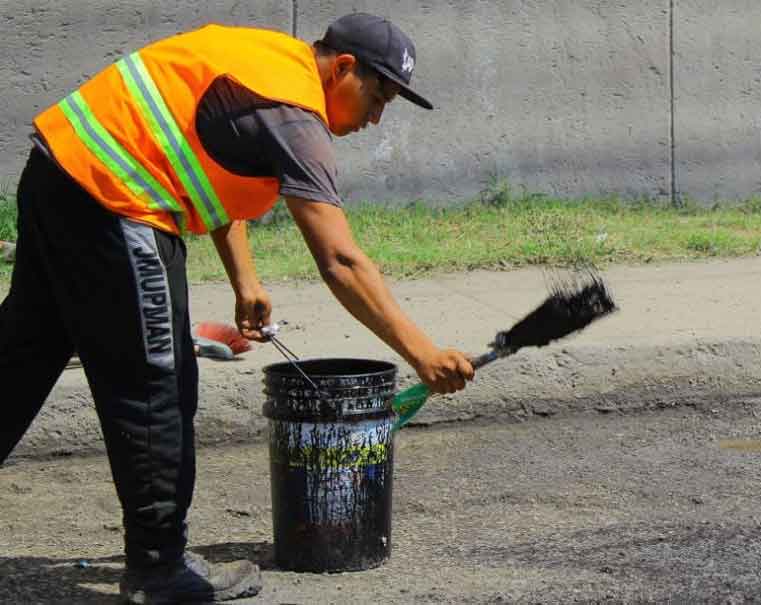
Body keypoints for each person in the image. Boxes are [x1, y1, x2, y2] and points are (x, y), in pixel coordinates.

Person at [0, 12, 474, 604]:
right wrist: (422, 353)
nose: (376, 118)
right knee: (159, 387)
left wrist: (244, 278)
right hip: (115, 198)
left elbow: (206, 152)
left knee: (21, 359)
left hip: (63, 170)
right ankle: (158, 567)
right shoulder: (296, 117)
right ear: (344, 68)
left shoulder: (269, 61)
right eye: (377, 96)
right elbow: (342, 262)